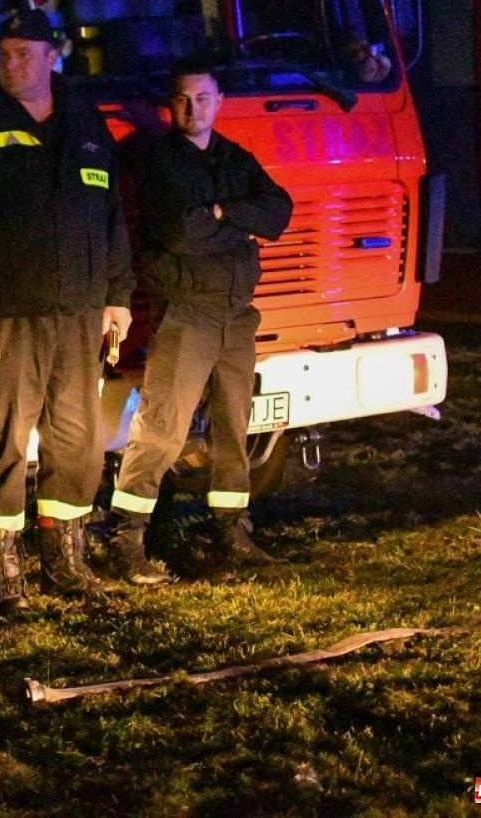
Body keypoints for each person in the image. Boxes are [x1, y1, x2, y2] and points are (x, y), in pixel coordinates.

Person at [0, 9, 136, 616]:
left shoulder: (86, 124)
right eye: (3, 55)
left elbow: (110, 217)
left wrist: (117, 297)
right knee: (4, 436)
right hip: (10, 314)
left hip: (79, 311)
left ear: (52, 57)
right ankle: (6, 575)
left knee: (76, 438)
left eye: (22, 54)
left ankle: (65, 563)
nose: (8, 64)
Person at [108, 59, 293, 582]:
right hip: (188, 312)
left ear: (220, 102)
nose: (194, 109)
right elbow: (183, 232)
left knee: (235, 426)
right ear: (171, 105)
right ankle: (128, 541)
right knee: (162, 427)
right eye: (184, 99)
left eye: (204, 98)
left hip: (237, 314)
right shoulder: (159, 162)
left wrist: (218, 212)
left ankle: (231, 531)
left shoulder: (234, 157)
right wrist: (235, 217)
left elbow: (279, 212)